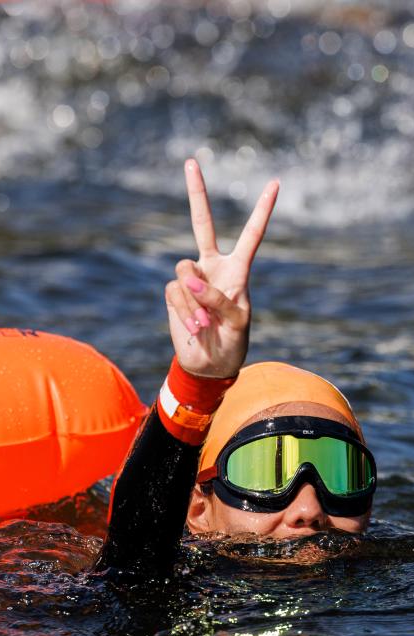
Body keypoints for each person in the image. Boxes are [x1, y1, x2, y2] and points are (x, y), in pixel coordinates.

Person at [95, 159, 376, 577]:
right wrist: (198, 383)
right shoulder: (189, 593)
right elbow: (131, 567)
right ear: (197, 508)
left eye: (340, 473)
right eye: (264, 471)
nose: (309, 509)